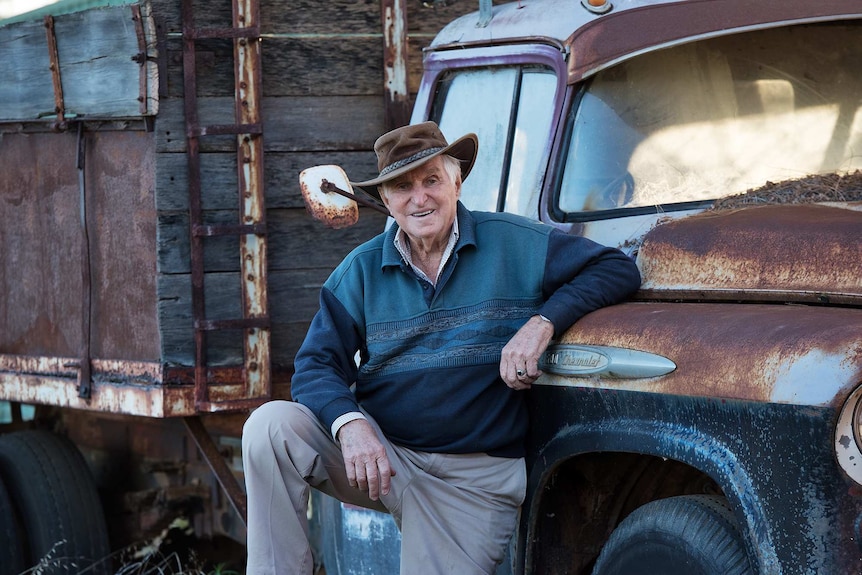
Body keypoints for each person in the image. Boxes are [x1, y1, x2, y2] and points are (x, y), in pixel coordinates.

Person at [242, 121, 642, 575]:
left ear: (456, 181)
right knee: (269, 428)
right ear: (387, 200)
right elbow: (315, 364)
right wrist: (349, 424)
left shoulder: (514, 243)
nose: (419, 197)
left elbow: (615, 269)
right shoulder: (360, 271)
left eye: (431, 180)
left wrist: (542, 322)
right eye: (402, 187)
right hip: (383, 457)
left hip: (472, 483)